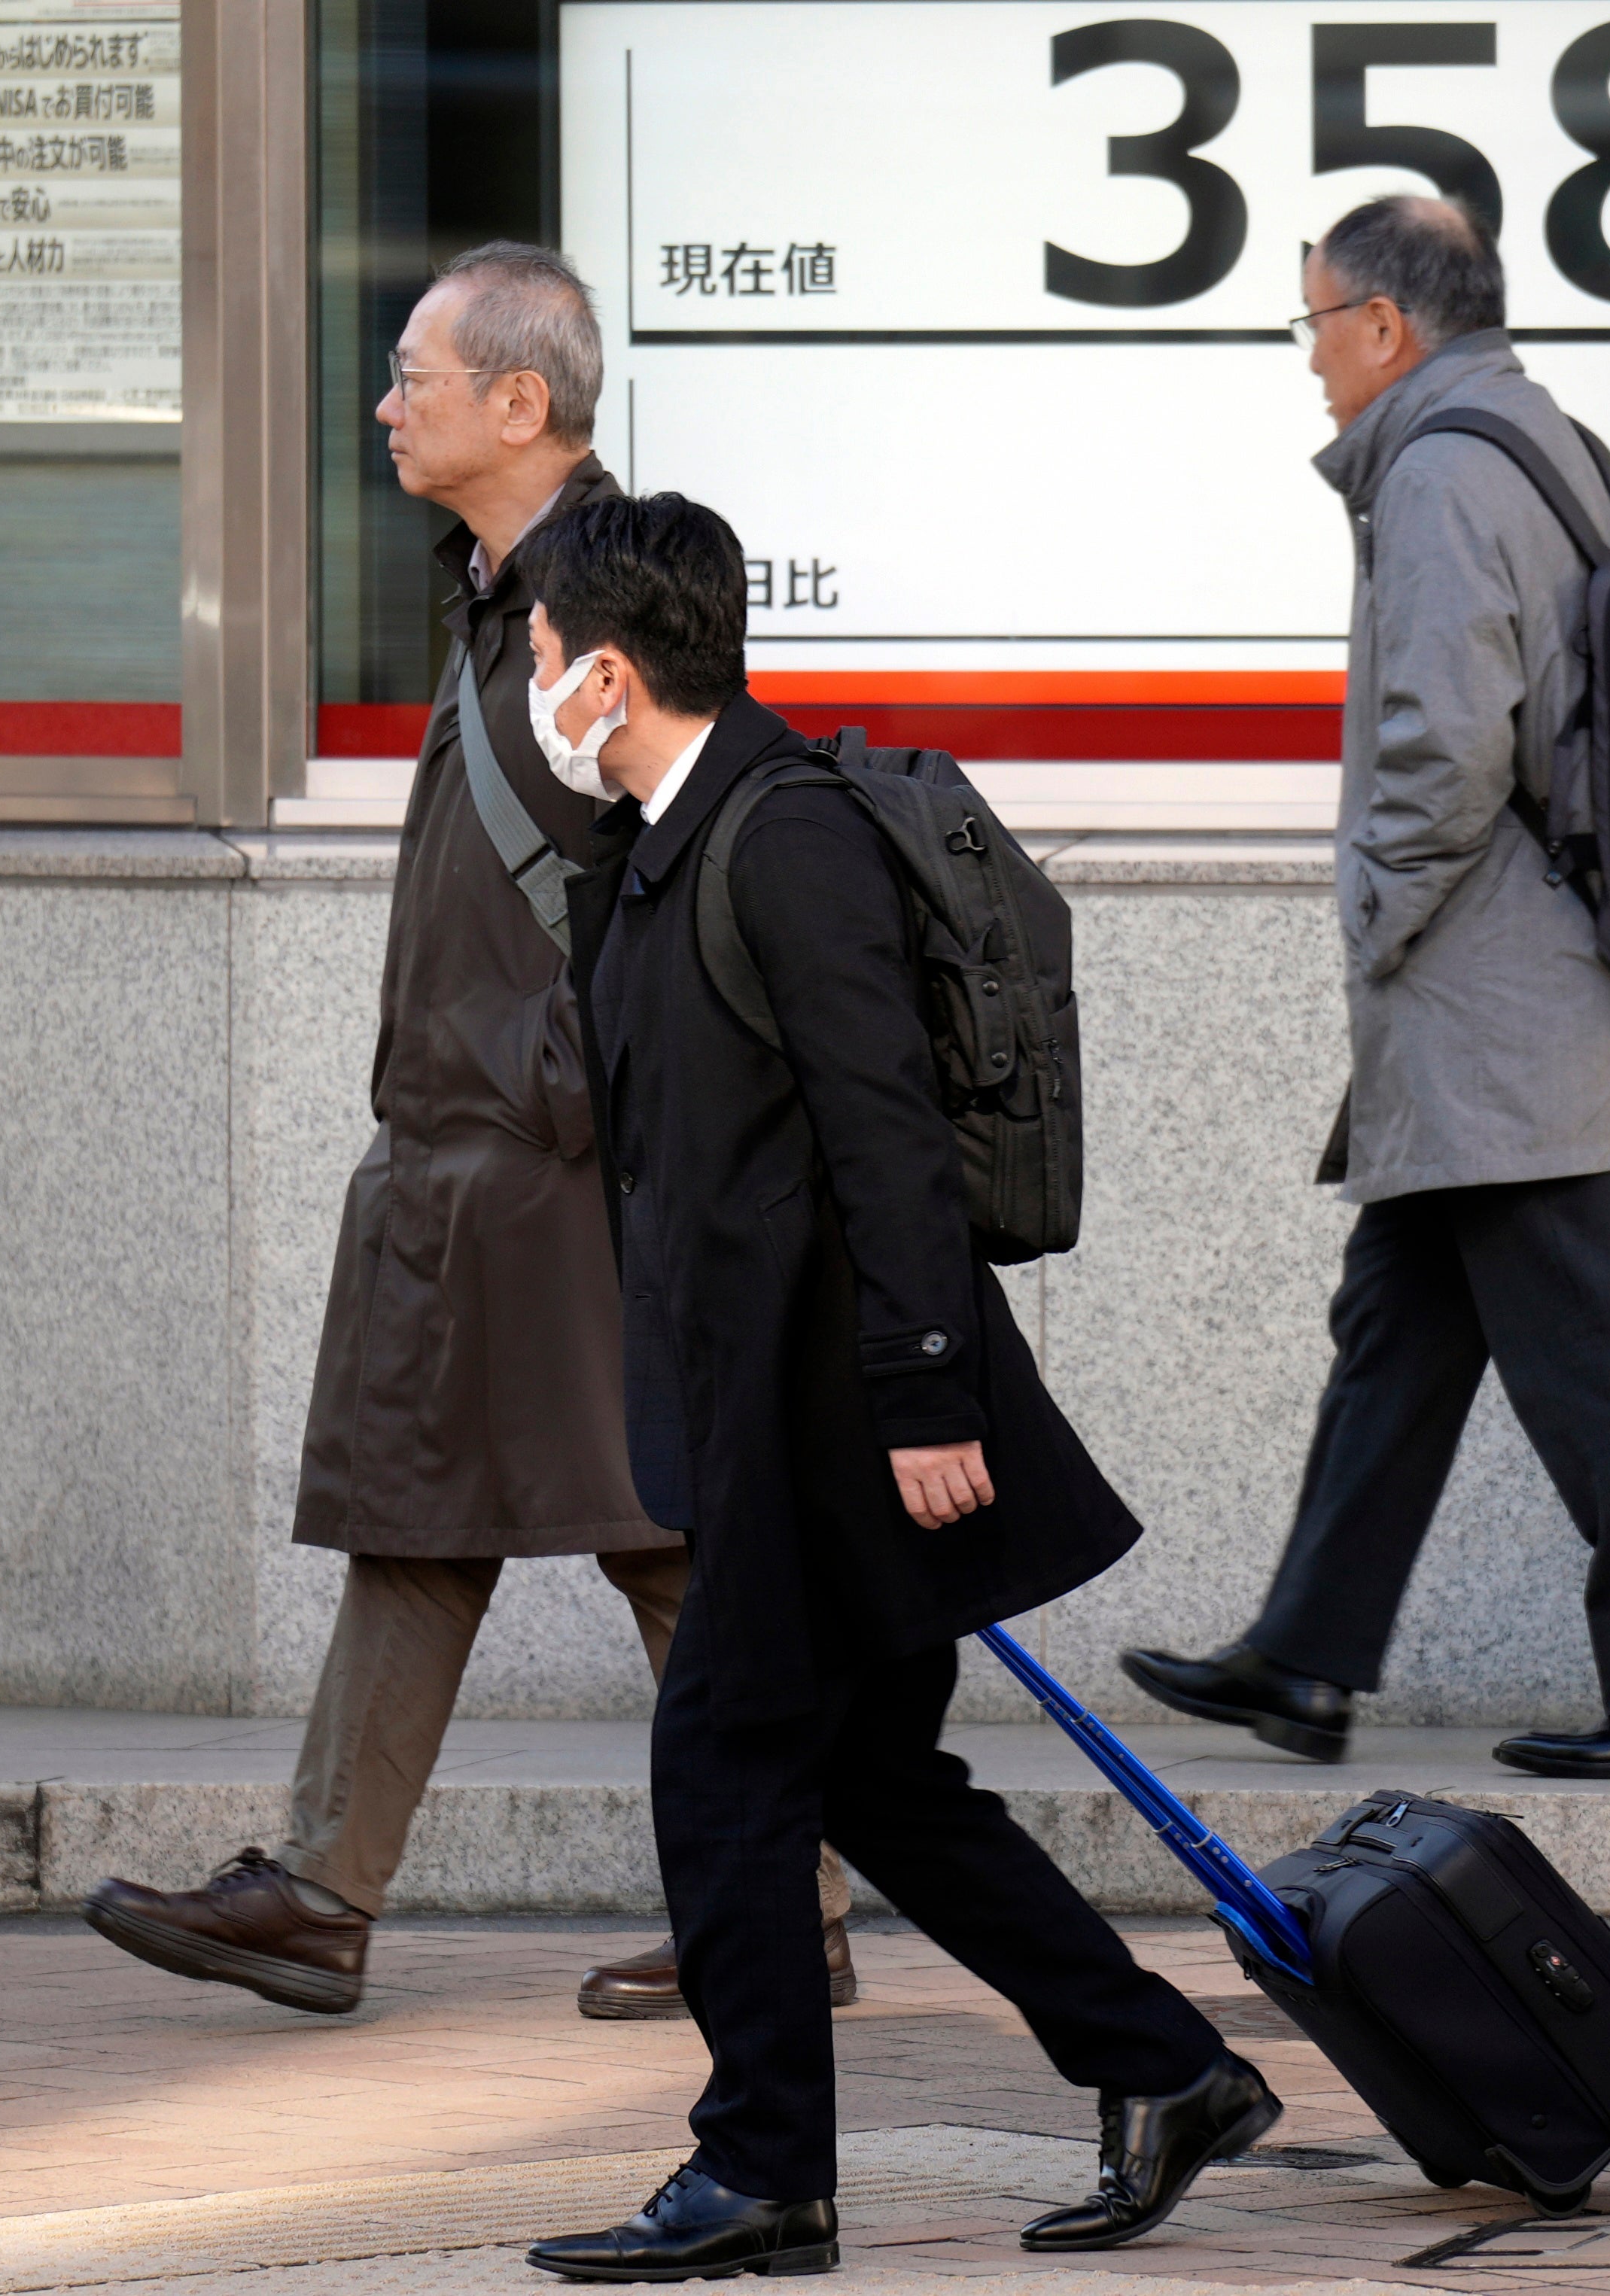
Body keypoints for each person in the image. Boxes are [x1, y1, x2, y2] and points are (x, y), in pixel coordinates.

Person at [78, 241, 856, 2021]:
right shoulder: (507, 590)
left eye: (415, 373)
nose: (384, 403)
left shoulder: (604, 599)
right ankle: (326, 1886)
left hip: (556, 1154)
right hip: (480, 1142)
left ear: (523, 399)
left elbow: (693, 843)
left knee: (650, 1522)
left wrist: (561, 1078)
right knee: (432, 1506)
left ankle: (775, 1894)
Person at [521, 493, 1274, 2280]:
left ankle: (763, 2166)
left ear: (609, 670)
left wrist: (929, 1392)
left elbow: (888, 1134)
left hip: (841, 1415)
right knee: (874, 1777)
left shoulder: (782, 837)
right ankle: (1166, 2066)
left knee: (722, 1765)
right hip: (765, 1395)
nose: (531, 681)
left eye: (544, 655)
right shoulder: (656, 842)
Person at [1117, 195, 1610, 1782]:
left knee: (1591, 1337)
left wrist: (1372, 913)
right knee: (1398, 1326)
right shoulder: (1545, 440)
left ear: (1387, 327)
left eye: (1314, 325)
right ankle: (1305, 1654)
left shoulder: (1441, 469)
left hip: (1503, 991)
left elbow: (1441, 741)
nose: (1312, 362)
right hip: (1538, 977)